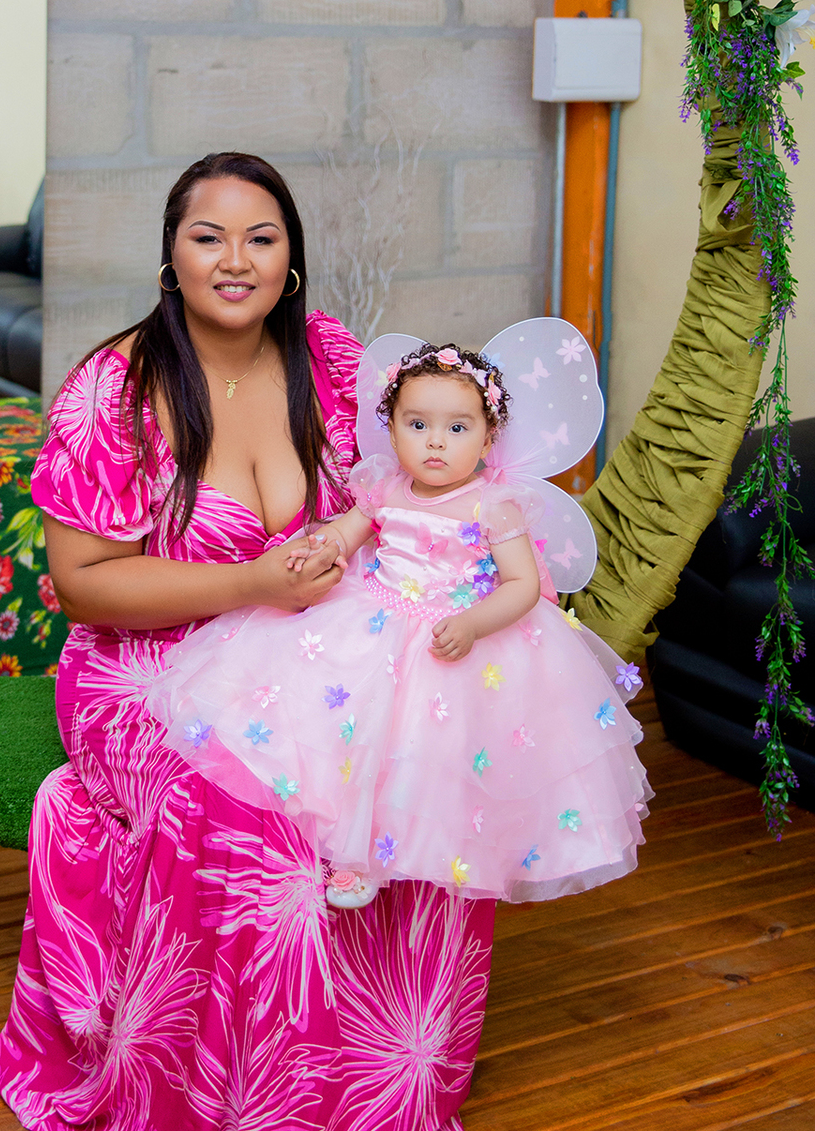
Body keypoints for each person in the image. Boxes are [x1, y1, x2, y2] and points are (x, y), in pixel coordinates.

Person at [0, 152, 495, 1131]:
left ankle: (375, 1082)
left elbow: (419, 487)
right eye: (206, 237)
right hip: (152, 674)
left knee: (435, 759)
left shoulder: (338, 367)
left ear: (291, 262)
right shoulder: (115, 392)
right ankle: (243, 1098)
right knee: (259, 806)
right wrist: (252, 583)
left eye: (261, 239)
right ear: (170, 257)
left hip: (329, 657)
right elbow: (80, 583)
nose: (235, 260)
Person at [149, 337, 651, 911]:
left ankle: (423, 851)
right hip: (376, 623)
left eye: (458, 428)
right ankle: (350, 854)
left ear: (488, 440)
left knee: (432, 753)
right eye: (418, 424)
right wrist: (319, 547)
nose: (436, 441)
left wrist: (472, 623)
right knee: (355, 741)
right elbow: (347, 532)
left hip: (456, 639)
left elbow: (523, 586)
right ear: (392, 432)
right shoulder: (385, 489)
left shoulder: (494, 506)